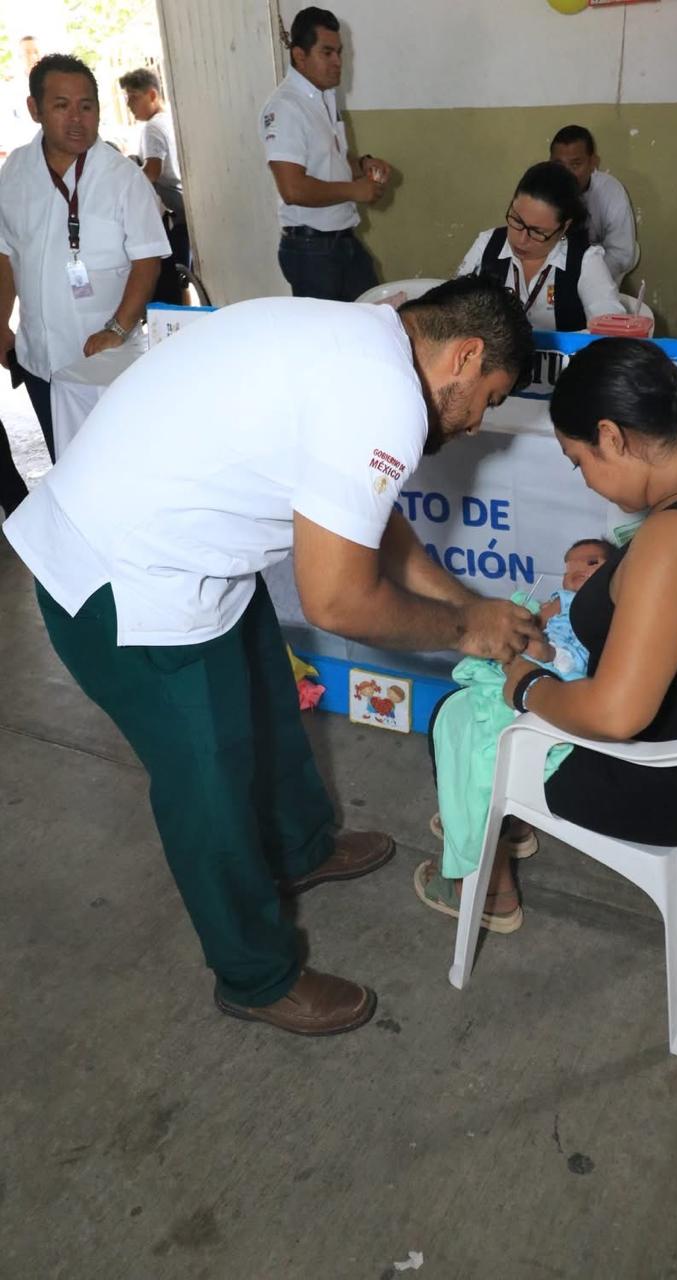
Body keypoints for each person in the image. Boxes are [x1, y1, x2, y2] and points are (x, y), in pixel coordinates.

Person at [3, 276, 541, 1039]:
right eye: (488, 396)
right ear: (464, 354)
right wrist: (462, 632)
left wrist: (465, 604)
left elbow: (369, 523)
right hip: (124, 585)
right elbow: (338, 603)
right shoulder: (379, 393)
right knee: (208, 789)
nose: (477, 420)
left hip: (186, 559)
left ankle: (299, 846)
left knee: (265, 695)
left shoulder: (366, 341)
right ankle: (254, 975)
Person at [421, 338, 677, 925]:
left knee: (460, 712)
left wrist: (524, 684)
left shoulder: (673, 540)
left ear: (612, 436)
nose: (587, 481)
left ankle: (487, 886)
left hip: (670, 783)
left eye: (581, 461)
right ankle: (499, 819)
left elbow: (617, 717)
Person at [417, 540, 617, 929]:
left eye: (591, 563)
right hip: (567, 704)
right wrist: (531, 619)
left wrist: (536, 651)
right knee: (468, 706)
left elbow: (574, 672)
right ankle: (510, 826)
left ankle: (489, 886)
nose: (576, 571)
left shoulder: (610, 613)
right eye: (569, 565)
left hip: (573, 715)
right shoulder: (574, 600)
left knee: (459, 721)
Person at [0, 54, 170, 462]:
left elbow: (149, 262)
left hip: (105, 364)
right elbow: (6, 252)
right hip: (40, 359)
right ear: (35, 109)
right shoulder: (15, 172)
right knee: (65, 465)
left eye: (87, 106)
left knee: (117, 465)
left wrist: (116, 327)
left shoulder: (123, 178)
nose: (77, 118)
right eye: (62, 106)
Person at [259, 6, 391, 301]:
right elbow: (292, 188)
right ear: (299, 56)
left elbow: (334, 160)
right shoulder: (285, 107)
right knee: (327, 341)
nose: (338, 62)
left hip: (342, 240)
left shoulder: (324, 98)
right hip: (311, 250)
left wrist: (364, 165)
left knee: (372, 316)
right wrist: (355, 191)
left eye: (340, 53)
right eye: (327, 53)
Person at [457, 162, 624, 332]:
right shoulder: (487, 244)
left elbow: (610, 332)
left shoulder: (584, 261)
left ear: (564, 227)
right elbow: (453, 309)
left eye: (537, 232)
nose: (522, 239)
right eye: (517, 221)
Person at [119, 67, 189, 306]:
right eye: (127, 98)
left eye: (134, 97)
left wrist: (123, 180)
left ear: (152, 95)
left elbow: (151, 172)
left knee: (169, 281)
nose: (129, 104)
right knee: (181, 281)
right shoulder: (167, 120)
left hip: (175, 213)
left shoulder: (152, 128)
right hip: (183, 210)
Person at [550, 125, 638, 285]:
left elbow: (621, 253)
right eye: (559, 165)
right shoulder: (541, 191)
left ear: (593, 163)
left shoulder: (611, 191)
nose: (566, 173)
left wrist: (585, 280)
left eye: (575, 165)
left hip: (600, 275)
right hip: (553, 278)